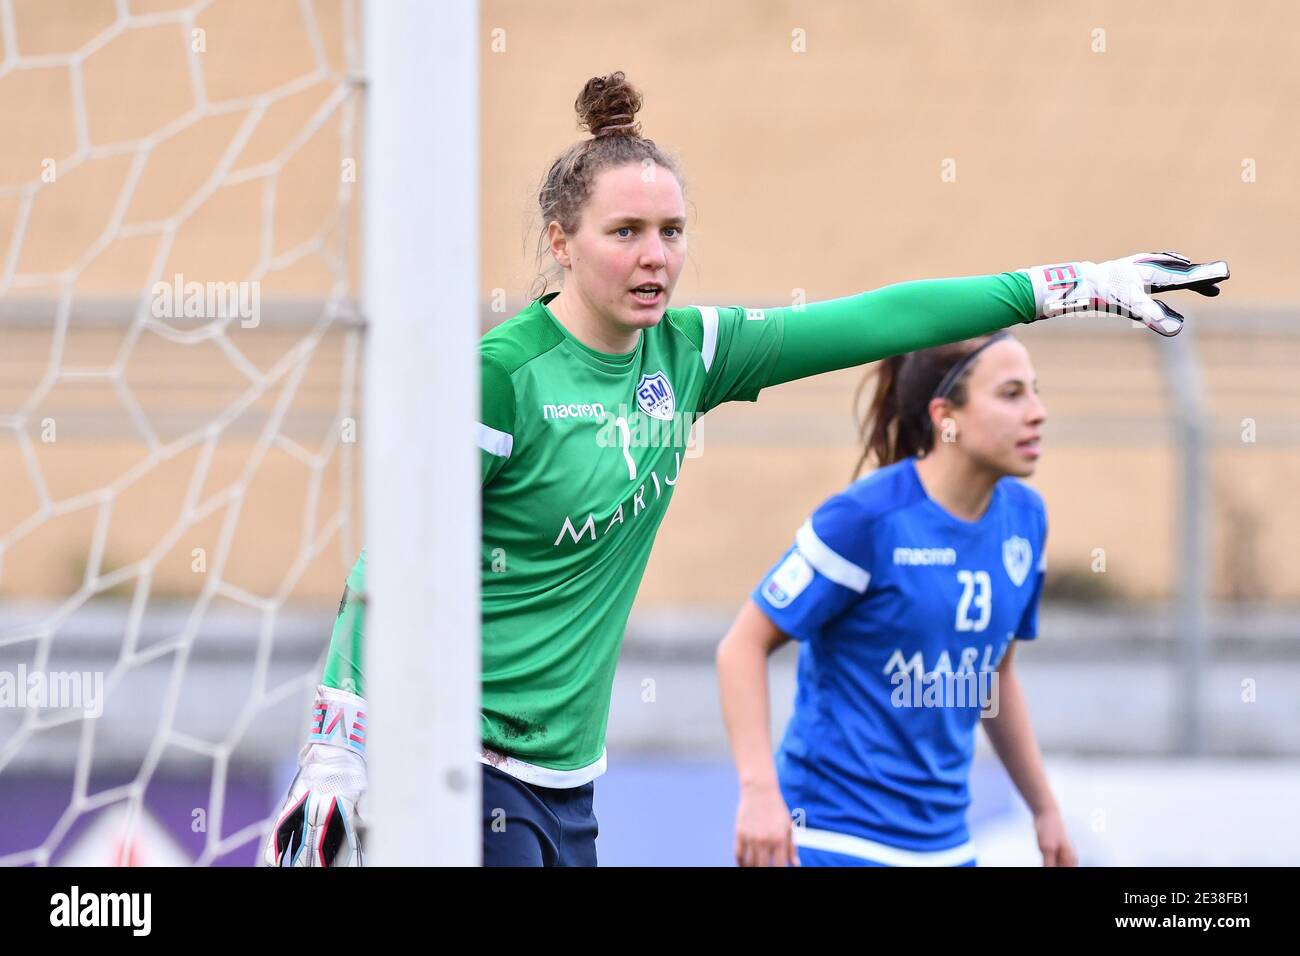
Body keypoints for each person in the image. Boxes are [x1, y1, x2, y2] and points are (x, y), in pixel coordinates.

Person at [263, 71, 1229, 867]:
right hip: (461, 760)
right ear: (560, 244)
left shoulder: (691, 355)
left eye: (672, 233)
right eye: (625, 234)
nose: (656, 259)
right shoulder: (500, 378)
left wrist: (1073, 285)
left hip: (569, 779)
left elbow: (879, 319)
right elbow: (386, 562)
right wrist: (337, 737)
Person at [720, 331, 1082, 867]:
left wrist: (1044, 808)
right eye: (1011, 395)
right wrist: (759, 793)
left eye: (1035, 391)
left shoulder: (1026, 520)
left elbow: (993, 677)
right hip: (831, 839)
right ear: (946, 416)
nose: (1038, 412)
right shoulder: (866, 518)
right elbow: (741, 646)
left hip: (947, 848)